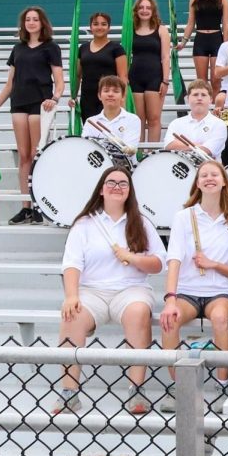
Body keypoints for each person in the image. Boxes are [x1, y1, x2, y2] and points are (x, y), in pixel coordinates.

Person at [53, 167, 165, 415]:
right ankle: (69, 393)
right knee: (72, 315)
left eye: (123, 183)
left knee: (138, 312)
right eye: (111, 182)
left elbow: (159, 263)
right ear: (101, 189)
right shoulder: (84, 224)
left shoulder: (141, 222)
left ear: (129, 191)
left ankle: (136, 390)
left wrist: (132, 258)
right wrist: (72, 295)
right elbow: (71, 264)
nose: (117, 187)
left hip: (131, 289)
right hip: (92, 290)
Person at [159, 161, 228, 411]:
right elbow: (173, 259)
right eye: (203, 175)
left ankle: (222, 385)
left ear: (223, 181)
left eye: (214, 174)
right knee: (171, 319)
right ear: (197, 183)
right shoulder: (183, 217)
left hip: (219, 292)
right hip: (186, 291)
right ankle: (179, 389)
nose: (209, 178)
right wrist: (171, 299)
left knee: (220, 318)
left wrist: (214, 264)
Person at [0, 6, 64, 225]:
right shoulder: (17, 49)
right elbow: (10, 84)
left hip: (40, 104)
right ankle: (25, 207)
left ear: (42, 23)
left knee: (37, 155)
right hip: (18, 102)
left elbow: (59, 81)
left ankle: (39, 205)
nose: (31, 23)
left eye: (35, 19)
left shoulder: (51, 48)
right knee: (24, 155)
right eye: (27, 19)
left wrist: (55, 99)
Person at [178, 0, 228, 96]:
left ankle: (216, 110)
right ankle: (204, 110)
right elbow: (190, 23)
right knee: (202, 81)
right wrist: (183, 42)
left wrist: (225, 45)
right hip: (200, 40)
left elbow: (225, 23)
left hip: (216, 40)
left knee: (216, 79)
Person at [126, 0, 171, 144]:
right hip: (135, 77)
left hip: (155, 78)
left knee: (153, 119)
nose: (144, 10)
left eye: (148, 7)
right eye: (141, 7)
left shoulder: (161, 30)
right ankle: (137, 154)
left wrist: (165, 80)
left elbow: (165, 56)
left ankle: (151, 153)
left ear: (153, 11)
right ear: (136, 10)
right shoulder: (130, 30)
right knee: (138, 120)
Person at [74, 11, 127, 122]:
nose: (99, 27)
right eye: (96, 24)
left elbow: (123, 76)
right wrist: (73, 96)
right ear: (90, 27)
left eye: (103, 24)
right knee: (90, 133)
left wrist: (123, 99)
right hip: (87, 97)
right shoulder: (83, 48)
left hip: (109, 96)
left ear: (109, 28)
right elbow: (78, 75)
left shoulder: (117, 49)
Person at [164, 80, 228, 160]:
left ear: (211, 99)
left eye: (203, 95)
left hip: (208, 171)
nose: (199, 98)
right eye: (195, 95)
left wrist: (181, 145)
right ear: (188, 98)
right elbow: (169, 146)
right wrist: (198, 146)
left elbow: (207, 150)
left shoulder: (219, 124)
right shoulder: (176, 123)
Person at [81, 75, 141, 155]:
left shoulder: (133, 119)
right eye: (106, 91)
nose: (110, 94)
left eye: (116, 91)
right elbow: (86, 148)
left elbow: (129, 150)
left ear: (123, 96)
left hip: (123, 167)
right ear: (99, 96)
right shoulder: (90, 121)